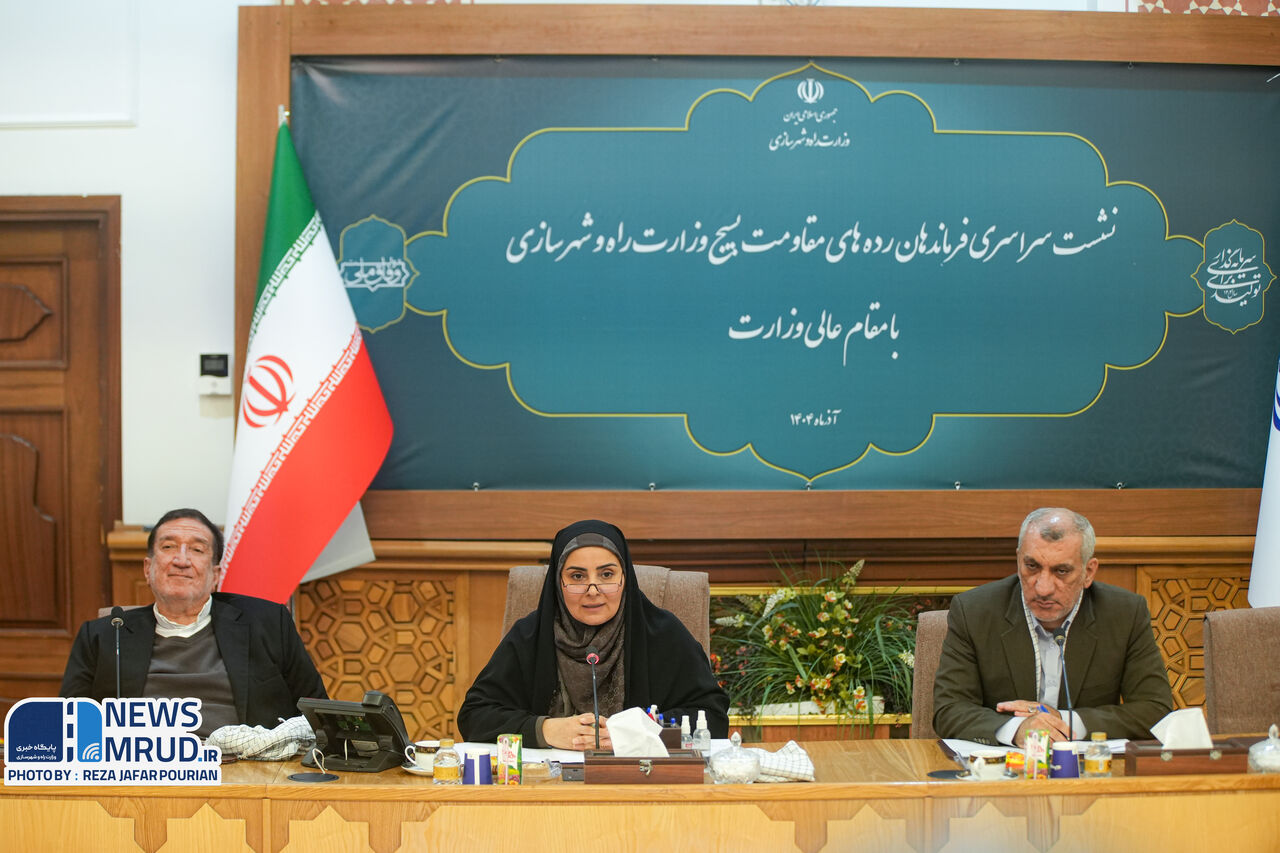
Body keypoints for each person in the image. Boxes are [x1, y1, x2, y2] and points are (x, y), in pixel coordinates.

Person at [458, 519, 729, 749]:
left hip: (642, 781)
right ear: (558, 583)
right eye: (577, 577)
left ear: (625, 578)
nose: (593, 590)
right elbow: (474, 717)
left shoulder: (663, 634)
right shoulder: (529, 636)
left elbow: (713, 718)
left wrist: (640, 732)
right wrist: (544, 730)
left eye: (606, 575)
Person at [60, 508, 327, 737]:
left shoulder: (267, 623)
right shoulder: (104, 636)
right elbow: (69, 726)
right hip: (144, 770)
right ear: (147, 569)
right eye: (168, 547)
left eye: (197, 550)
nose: (181, 560)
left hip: (245, 769)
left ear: (215, 576)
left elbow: (317, 715)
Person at [932, 507, 1172, 746]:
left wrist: (1063, 721)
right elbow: (949, 709)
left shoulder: (1124, 614)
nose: (1043, 588)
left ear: (1088, 572)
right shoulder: (974, 611)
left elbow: (1155, 709)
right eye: (1032, 566)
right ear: (1018, 560)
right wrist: (1018, 728)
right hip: (1003, 764)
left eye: (1061, 571)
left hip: (1086, 766)